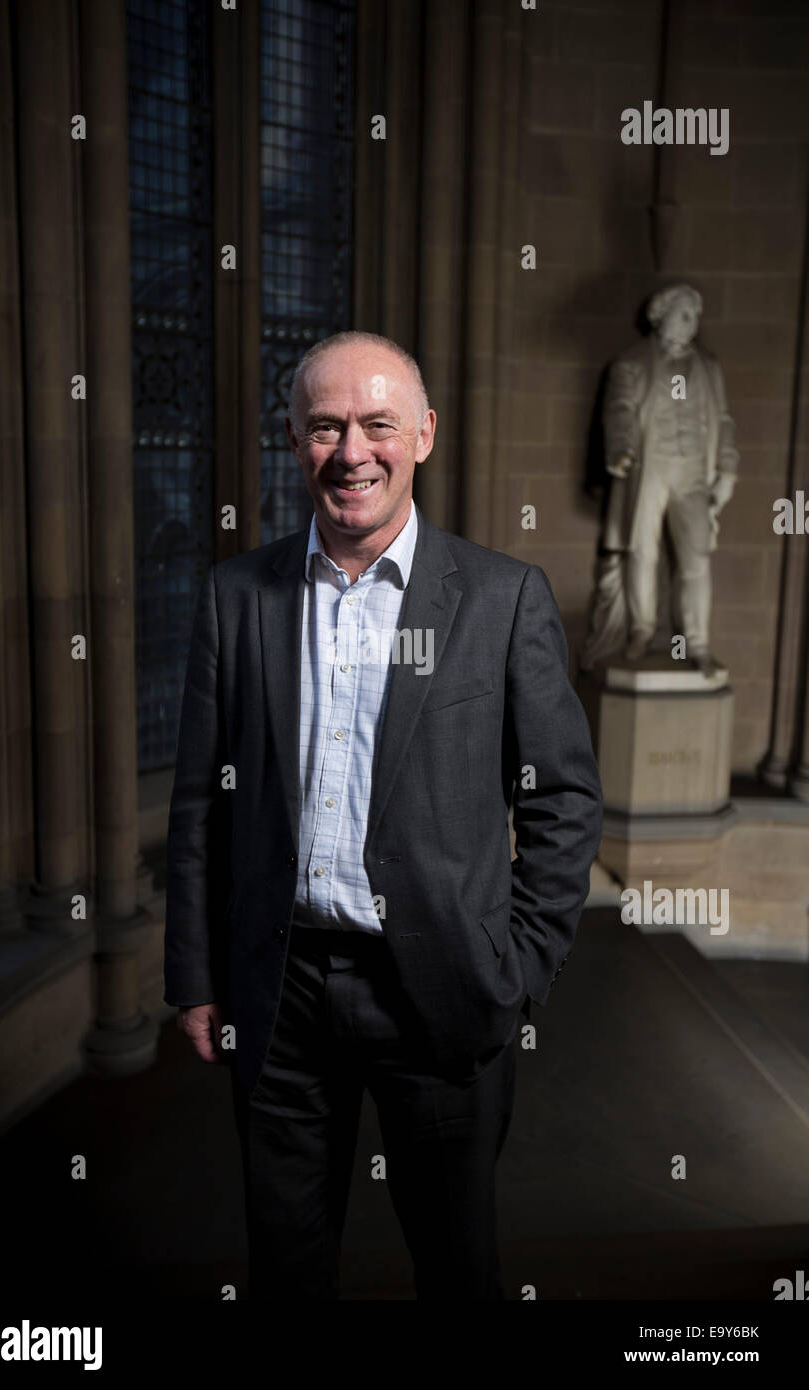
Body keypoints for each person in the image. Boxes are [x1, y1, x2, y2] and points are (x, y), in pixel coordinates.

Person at [164, 330, 603, 1300]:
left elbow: (562, 797)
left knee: (456, 1270)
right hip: (282, 993)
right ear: (294, 439)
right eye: (325, 426)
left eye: (376, 424)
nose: (351, 450)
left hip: (444, 994)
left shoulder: (501, 599)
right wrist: (195, 972)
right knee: (285, 1268)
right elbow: (201, 799)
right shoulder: (239, 597)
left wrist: (518, 970)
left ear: (424, 436)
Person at [584, 283, 738, 675]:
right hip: (649, 467)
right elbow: (618, 410)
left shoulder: (709, 366)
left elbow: (722, 420)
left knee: (697, 556)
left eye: (696, 316)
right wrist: (620, 449)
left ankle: (698, 641)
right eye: (685, 313)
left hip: (692, 472)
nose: (692, 322)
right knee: (641, 550)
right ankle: (641, 630)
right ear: (662, 314)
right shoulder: (632, 362)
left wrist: (727, 468)